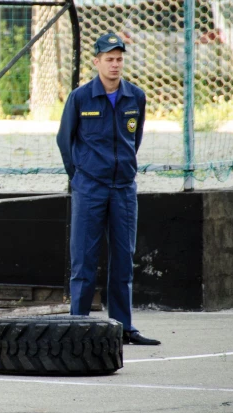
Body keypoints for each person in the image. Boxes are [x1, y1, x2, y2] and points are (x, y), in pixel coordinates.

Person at [56, 32, 160, 346]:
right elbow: (65, 140)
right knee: (84, 259)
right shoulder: (81, 97)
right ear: (96, 61)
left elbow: (134, 138)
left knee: (124, 259)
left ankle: (123, 327)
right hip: (90, 188)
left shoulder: (135, 97)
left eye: (119, 59)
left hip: (124, 189)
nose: (115, 65)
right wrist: (80, 176)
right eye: (109, 59)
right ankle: (79, 325)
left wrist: (123, 168)